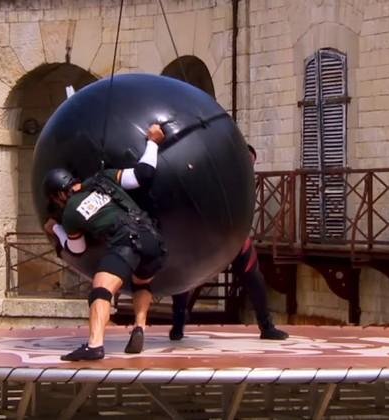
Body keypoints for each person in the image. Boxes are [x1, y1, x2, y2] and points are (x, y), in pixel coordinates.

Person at [43, 123, 167, 361]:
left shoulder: (70, 211)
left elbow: (77, 249)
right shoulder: (103, 178)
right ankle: (139, 326)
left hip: (125, 241)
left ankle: (94, 345)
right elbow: (144, 174)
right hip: (152, 240)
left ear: (59, 194)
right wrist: (153, 141)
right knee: (141, 282)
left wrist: (56, 228)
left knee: (101, 288)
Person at [169, 144, 288, 341]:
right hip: (203, 231)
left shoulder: (242, 177)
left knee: (253, 275)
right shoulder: (211, 170)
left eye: (251, 163)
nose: (249, 165)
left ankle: (266, 325)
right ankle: (178, 323)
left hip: (232, 232)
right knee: (186, 276)